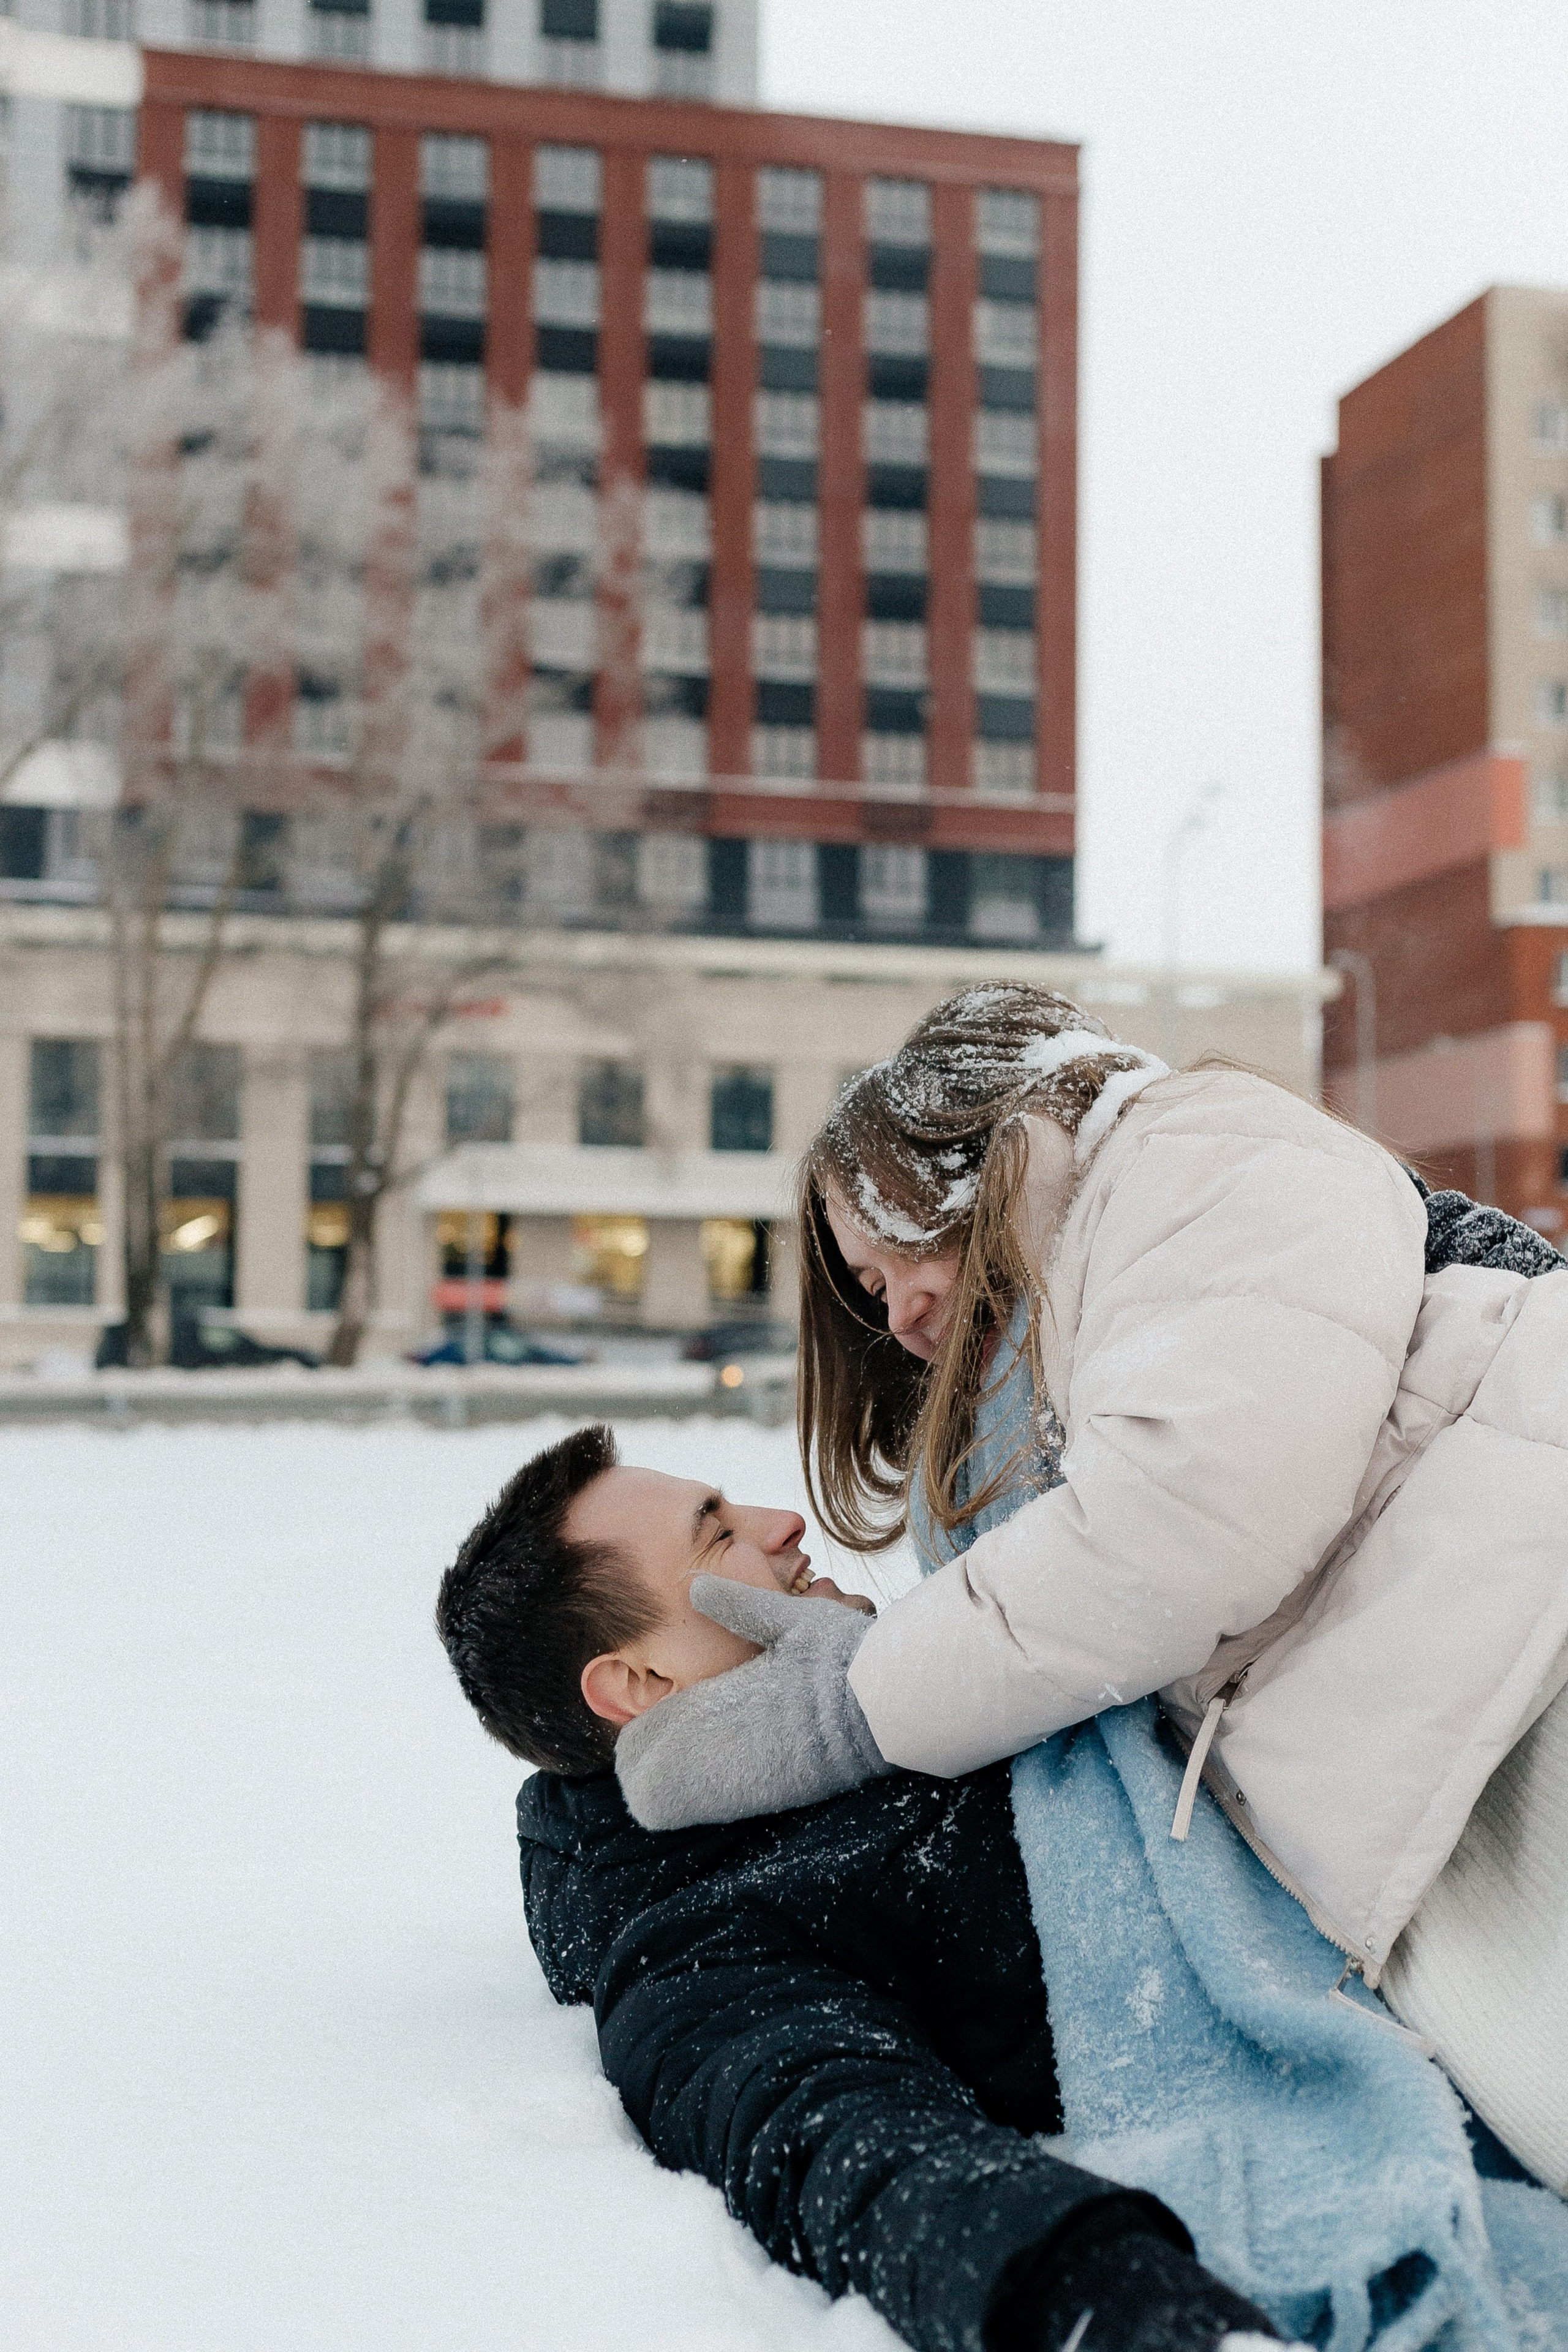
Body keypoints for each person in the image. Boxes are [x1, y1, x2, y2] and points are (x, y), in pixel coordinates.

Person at [612, 984, 1568, 2195]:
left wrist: (845, 1707)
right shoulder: (1085, 1322)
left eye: (892, 1255)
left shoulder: (1188, 1150)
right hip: (1453, 1716)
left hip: (1525, 1626)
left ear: (948, 1163)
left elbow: (1186, 1517)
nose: (894, 1312)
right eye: (863, 1294)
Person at [435, 1422, 1287, 2352]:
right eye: (717, 1534)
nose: (786, 1523)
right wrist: (1115, 2306)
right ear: (640, 1681)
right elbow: (857, 2154)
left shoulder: (892, 1698)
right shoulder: (699, 1945)